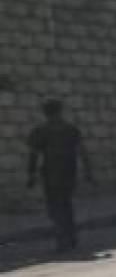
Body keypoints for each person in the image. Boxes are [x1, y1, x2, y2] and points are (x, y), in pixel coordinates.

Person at [27, 100, 93, 253]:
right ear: (61, 111)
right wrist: (89, 172)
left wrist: (31, 174)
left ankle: (63, 239)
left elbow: (33, 155)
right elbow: (82, 152)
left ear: (45, 113)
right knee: (66, 204)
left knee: (55, 207)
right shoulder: (71, 129)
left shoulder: (40, 131)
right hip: (69, 171)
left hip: (50, 173)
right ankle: (70, 235)